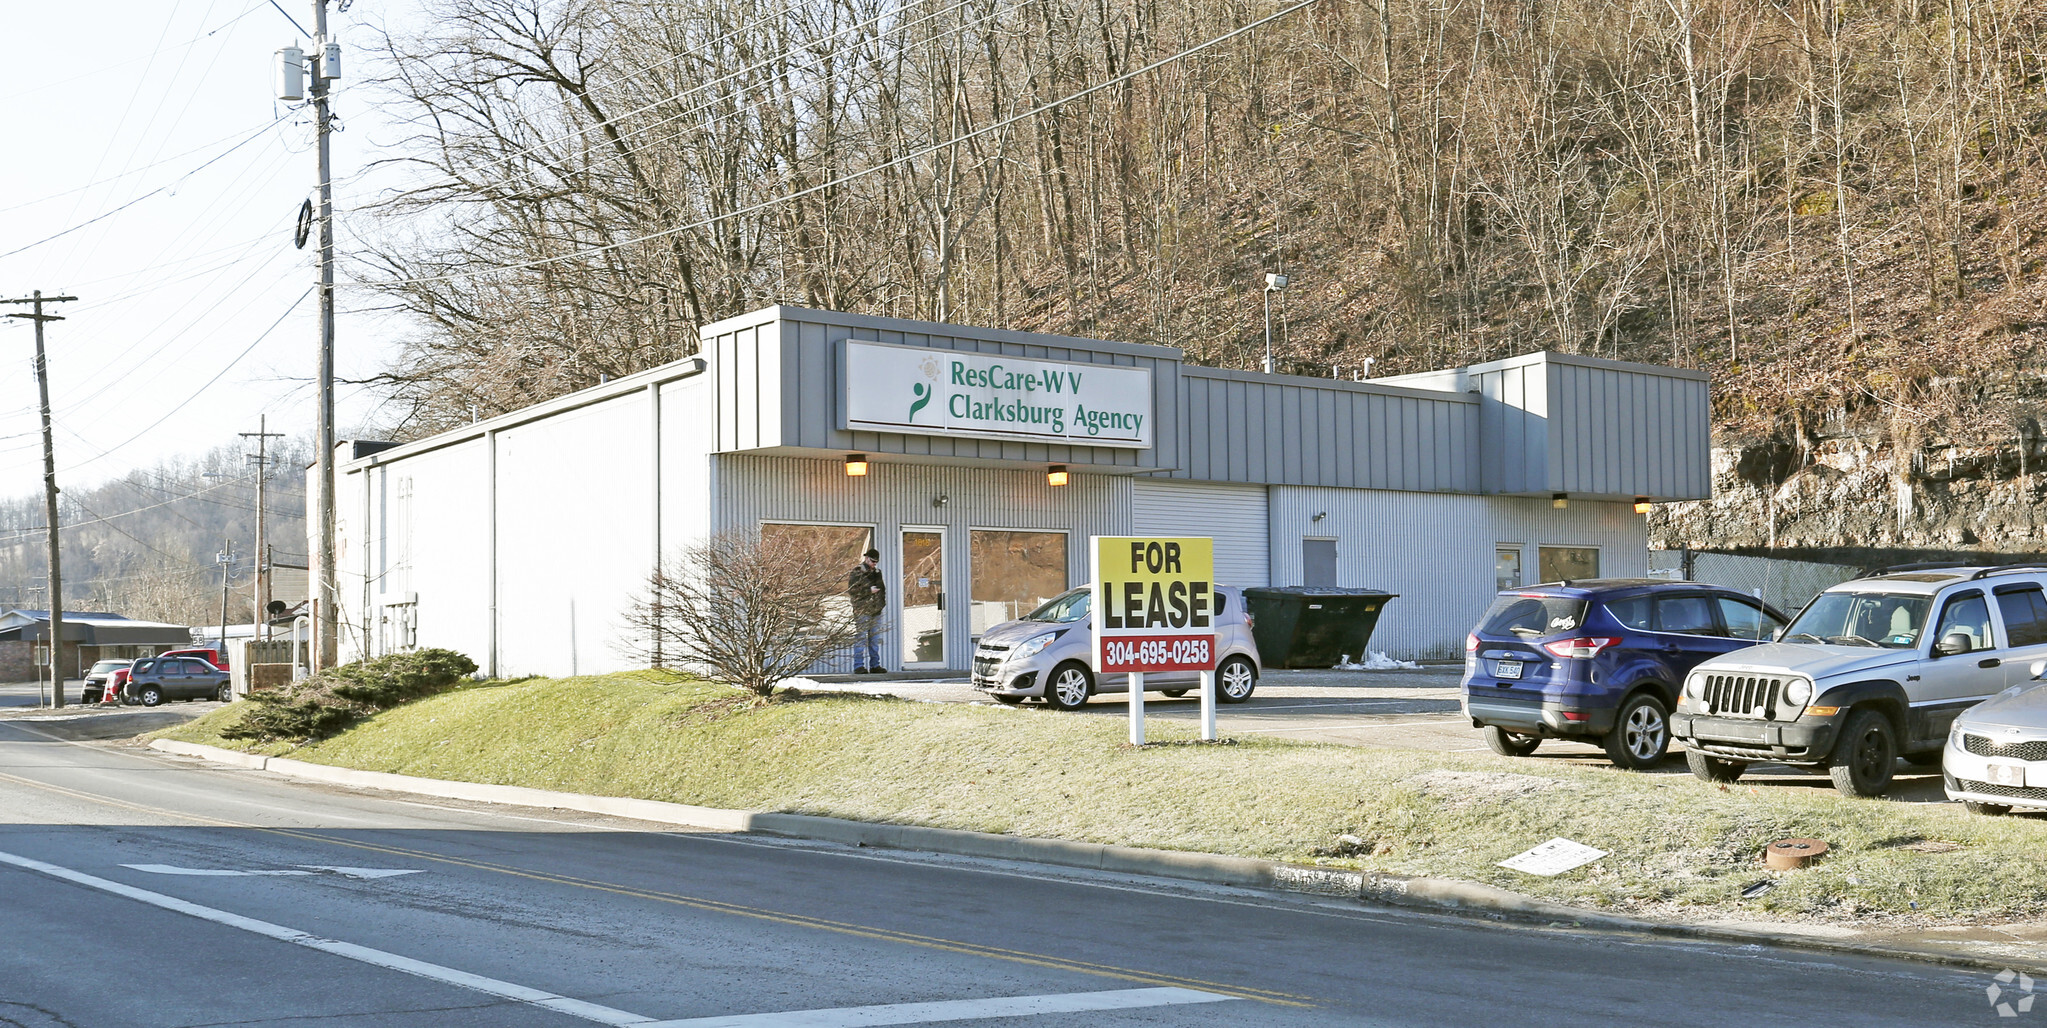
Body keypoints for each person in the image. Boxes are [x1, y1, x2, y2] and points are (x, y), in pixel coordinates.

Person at [847, 548, 886, 673]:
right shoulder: (857, 572)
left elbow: (882, 590)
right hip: (862, 610)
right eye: (873, 561)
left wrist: (881, 603)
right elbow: (852, 591)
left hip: (876, 610)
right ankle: (858, 666)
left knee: (874, 640)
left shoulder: (878, 572)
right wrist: (869, 591)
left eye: (876, 562)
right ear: (866, 558)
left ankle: (875, 665)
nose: (874, 564)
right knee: (861, 639)